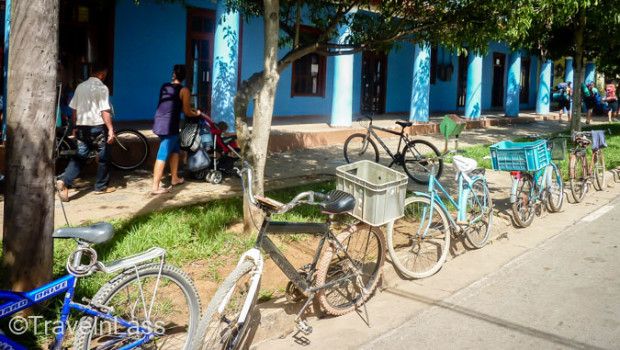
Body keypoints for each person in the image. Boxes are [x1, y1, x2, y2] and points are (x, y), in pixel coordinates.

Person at [57, 63, 116, 202]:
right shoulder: (102, 88)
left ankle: (65, 180)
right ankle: (101, 186)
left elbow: (74, 109)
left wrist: (75, 126)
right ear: (101, 74)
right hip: (97, 128)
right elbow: (104, 110)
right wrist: (111, 129)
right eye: (105, 75)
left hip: (82, 128)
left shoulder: (80, 87)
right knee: (103, 157)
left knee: (80, 157)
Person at [151, 64, 201, 195]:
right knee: (163, 153)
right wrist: (196, 114)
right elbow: (186, 111)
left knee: (175, 149)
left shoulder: (164, 86)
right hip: (169, 125)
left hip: (159, 121)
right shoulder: (184, 90)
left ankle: (174, 178)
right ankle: (155, 187)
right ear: (185, 77)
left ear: (174, 75)